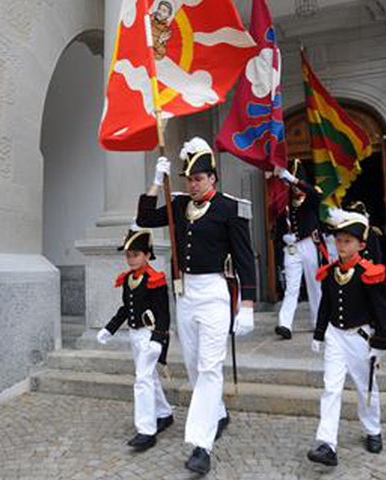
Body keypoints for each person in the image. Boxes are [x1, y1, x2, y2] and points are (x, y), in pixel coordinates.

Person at [136, 137, 256, 474]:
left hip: (215, 292)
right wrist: (156, 183)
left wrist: (245, 302)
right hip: (185, 295)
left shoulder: (229, 208)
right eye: (189, 178)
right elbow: (144, 219)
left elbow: (246, 259)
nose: (192, 184)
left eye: (198, 178)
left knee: (208, 367)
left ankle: (201, 445)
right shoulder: (178, 205)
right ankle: (216, 412)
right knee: (193, 365)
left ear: (212, 178)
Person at [307, 211, 386, 466]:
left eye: (347, 241)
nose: (341, 245)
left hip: (359, 337)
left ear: (361, 245)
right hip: (335, 335)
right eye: (339, 240)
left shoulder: (370, 272)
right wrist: (319, 333)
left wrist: (383, 341)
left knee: (366, 387)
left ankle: (372, 429)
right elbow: (326, 305)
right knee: (331, 388)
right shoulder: (330, 271)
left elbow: (381, 308)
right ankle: (327, 444)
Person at [96, 228, 173, 452]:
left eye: (136, 254)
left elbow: (164, 314)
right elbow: (124, 309)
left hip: (150, 335)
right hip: (135, 336)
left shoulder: (155, 279)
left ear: (147, 255)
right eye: (128, 255)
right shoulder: (128, 278)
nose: (131, 259)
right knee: (149, 377)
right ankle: (165, 414)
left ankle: (146, 430)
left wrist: (157, 340)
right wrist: (108, 329)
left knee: (142, 380)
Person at [274, 159, 324, 340]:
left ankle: (318, 322)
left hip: (310, 244)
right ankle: (284, 324)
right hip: (292, 248)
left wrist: (294, 179)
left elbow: (317, 195)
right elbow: (278, 228)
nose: (294, 187)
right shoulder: (285, 203)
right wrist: (283, 238)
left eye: (295, 182)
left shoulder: (311, 197)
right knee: (291, 287)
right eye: (290, 183)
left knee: (315, 284)